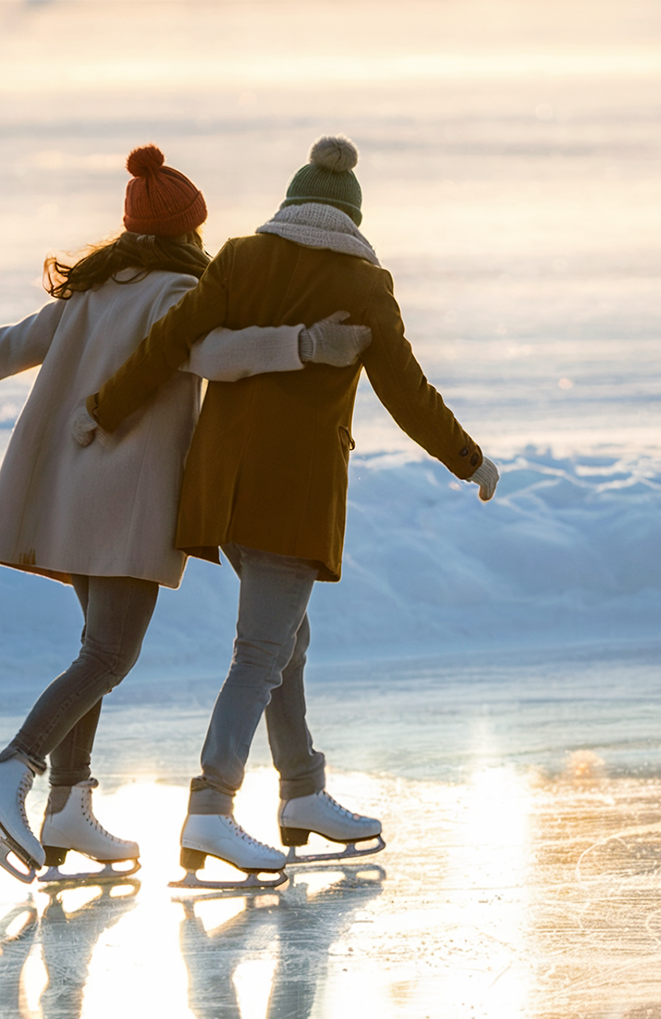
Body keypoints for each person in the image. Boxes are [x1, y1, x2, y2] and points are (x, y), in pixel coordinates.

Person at [0, 145, 372, 885]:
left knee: (92, 649)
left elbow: (0, 349)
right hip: (124, 505)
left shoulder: (87, 296)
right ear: (188, 234)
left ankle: (68, 805)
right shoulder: (173, 297)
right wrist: (307, 344)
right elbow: (221, 356)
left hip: (61, 499)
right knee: (109, 655)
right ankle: (12, 770)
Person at [81, 135, 498, 890]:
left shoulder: (241, 258)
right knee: (261, 655)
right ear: (350, 215)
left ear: (292, 204)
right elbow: (406, 389)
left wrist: (107, 408)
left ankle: (302, 791)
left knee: (285, 644)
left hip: (221, 489)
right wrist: (468, 459)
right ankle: (210, 804)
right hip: (291, 497)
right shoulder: (364, 284)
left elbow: (170, 339)